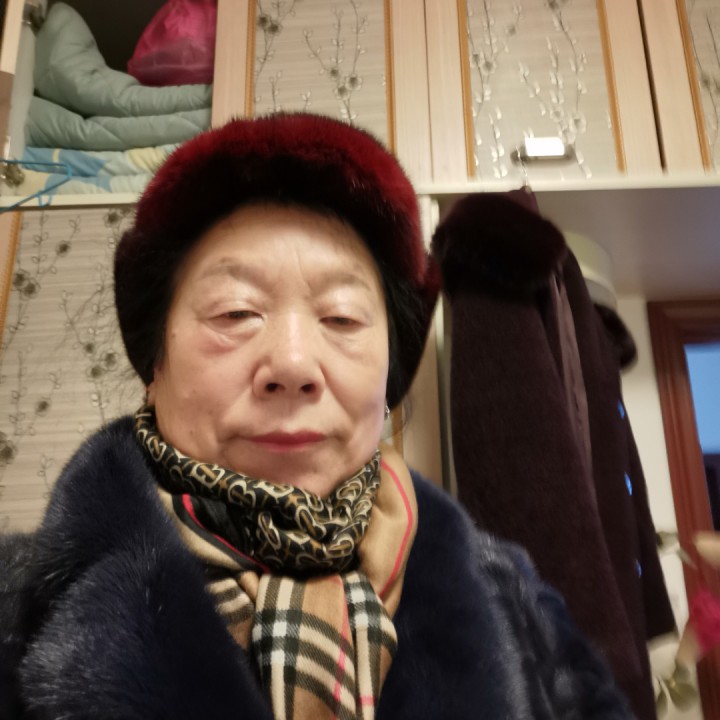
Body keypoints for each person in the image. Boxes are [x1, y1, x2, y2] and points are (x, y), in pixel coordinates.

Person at [1, 113, 634, 719]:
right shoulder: (16, 604)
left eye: (341, 317)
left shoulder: (518, 603)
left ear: (387, 373)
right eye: (234, 312)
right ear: (155, 364)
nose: (294, 362)